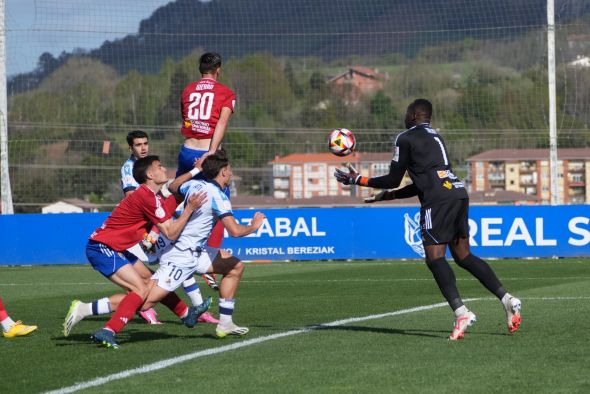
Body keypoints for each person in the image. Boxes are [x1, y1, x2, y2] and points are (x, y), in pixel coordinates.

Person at [335, 98, 522, 341]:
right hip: (457, 193)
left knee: (435, 259)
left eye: (406, 112)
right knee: (464, 256)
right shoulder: (436, 137)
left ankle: (461, 312)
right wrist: (385, 196)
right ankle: (508, 300)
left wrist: (359, 180)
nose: (404, 116)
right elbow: (422, 183)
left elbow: (394, 178)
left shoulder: (405, 137)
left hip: (438, 201)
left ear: (413, 115)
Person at [80, 155, 210, 349]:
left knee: (150, 281)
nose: (164, 169)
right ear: (150, 174)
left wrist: (195, 172)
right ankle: (108, 330)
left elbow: (172, 196)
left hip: (116, 247)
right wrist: (190, 209)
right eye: (160, 166)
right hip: (102, 247)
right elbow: (171, 232)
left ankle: (185, 314)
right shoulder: (146, 196)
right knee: (140, 290)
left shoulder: (152, 196)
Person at [160, 148, 265, 338]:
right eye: (230, 169)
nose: (231, 173)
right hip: (181, 253)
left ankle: (225, 323)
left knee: (235, 267)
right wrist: (253, 227)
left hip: (193, 251)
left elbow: (173, 187)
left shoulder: (194, 185)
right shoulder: (218, 196)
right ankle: (93, 312)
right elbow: (234, 231)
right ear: (223, 172)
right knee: (146, 299)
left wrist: (195, 170)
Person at [119, 129, 219, 324]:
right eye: (138, 145)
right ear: (131, 148)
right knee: (164, 265)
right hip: (144, 228)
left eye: (145, 143)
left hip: (156, 224)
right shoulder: (129, 168)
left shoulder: (150, 166)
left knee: (178, 260)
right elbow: (132, 198)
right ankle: (138, 305)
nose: (143, 147)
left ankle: (198, 310)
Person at [178, 52, 236, 250]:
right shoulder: (226, 92)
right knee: (222, 205)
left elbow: (186, 119)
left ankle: (161, 240)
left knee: (178, 195)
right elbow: (222, 122)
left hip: (187, 150)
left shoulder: (187, 90)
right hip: (207, 153)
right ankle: (209, 253)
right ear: (218, 69)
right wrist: (211, 152)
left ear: (200, 69)